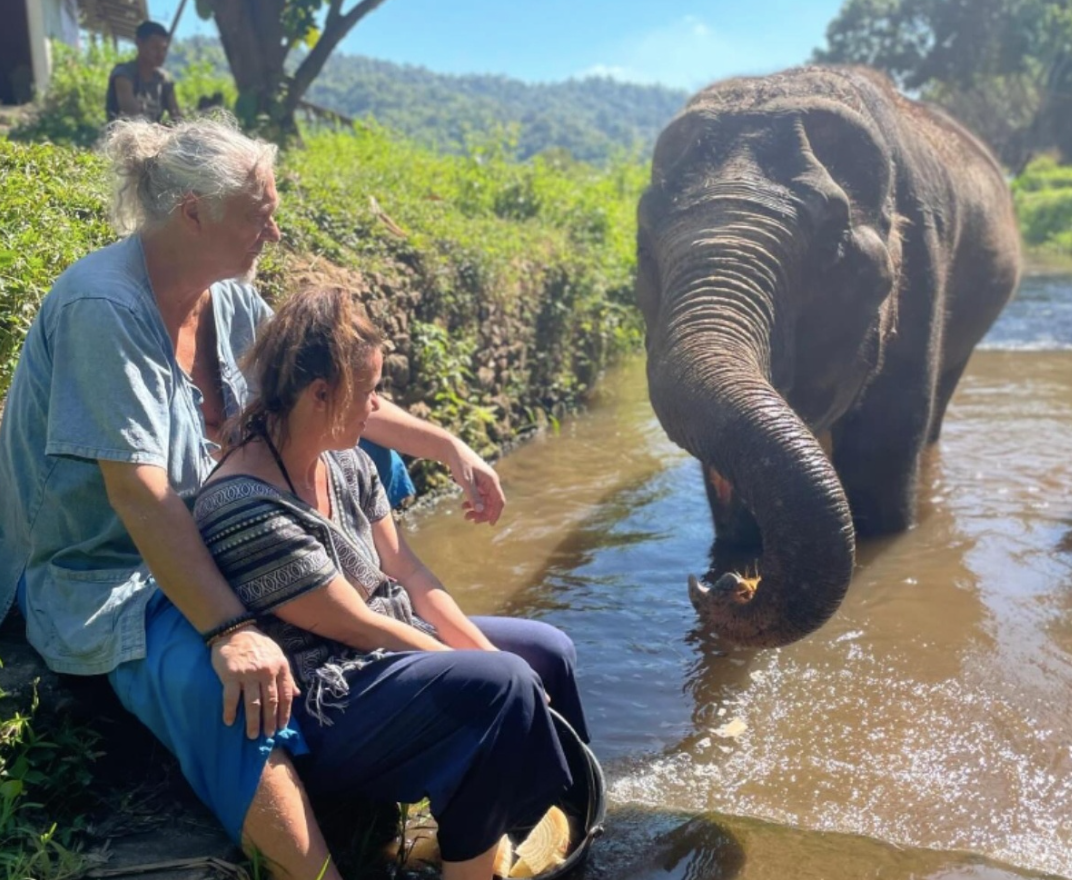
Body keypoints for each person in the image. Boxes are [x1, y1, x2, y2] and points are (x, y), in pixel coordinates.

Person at [0, 116, 510, 879]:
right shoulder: (103, 309)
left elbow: (327, 392)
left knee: (347, 438)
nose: (274, 229)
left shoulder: (229, 298)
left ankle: (377, 602)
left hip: (210, 518)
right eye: (258, 211)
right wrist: (229, 628)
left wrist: (448, 445)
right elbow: (138, 498)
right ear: (193, 212)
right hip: (107, 567)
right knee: (225, 689)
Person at [194, 285, 588, 879]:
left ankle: (553, 824)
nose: (377, 407)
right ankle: (474, 863)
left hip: (388, 655)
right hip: (331, 706)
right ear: (319, 393)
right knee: (503, 683)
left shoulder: (345, 458)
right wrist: (498, 673)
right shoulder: (242, 506)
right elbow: (355, 623)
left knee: (547, 654)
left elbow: (406, 571)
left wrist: (484, 652)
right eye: (369, 392)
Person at [105, 20, 183, 124]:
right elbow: (132, 115)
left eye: (163, 49)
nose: (160, 54)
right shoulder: (123, 75)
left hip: (154, 137)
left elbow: (177, 116)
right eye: (155, 48)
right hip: (124, 137)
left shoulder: (163, 80)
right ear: (139, 43)